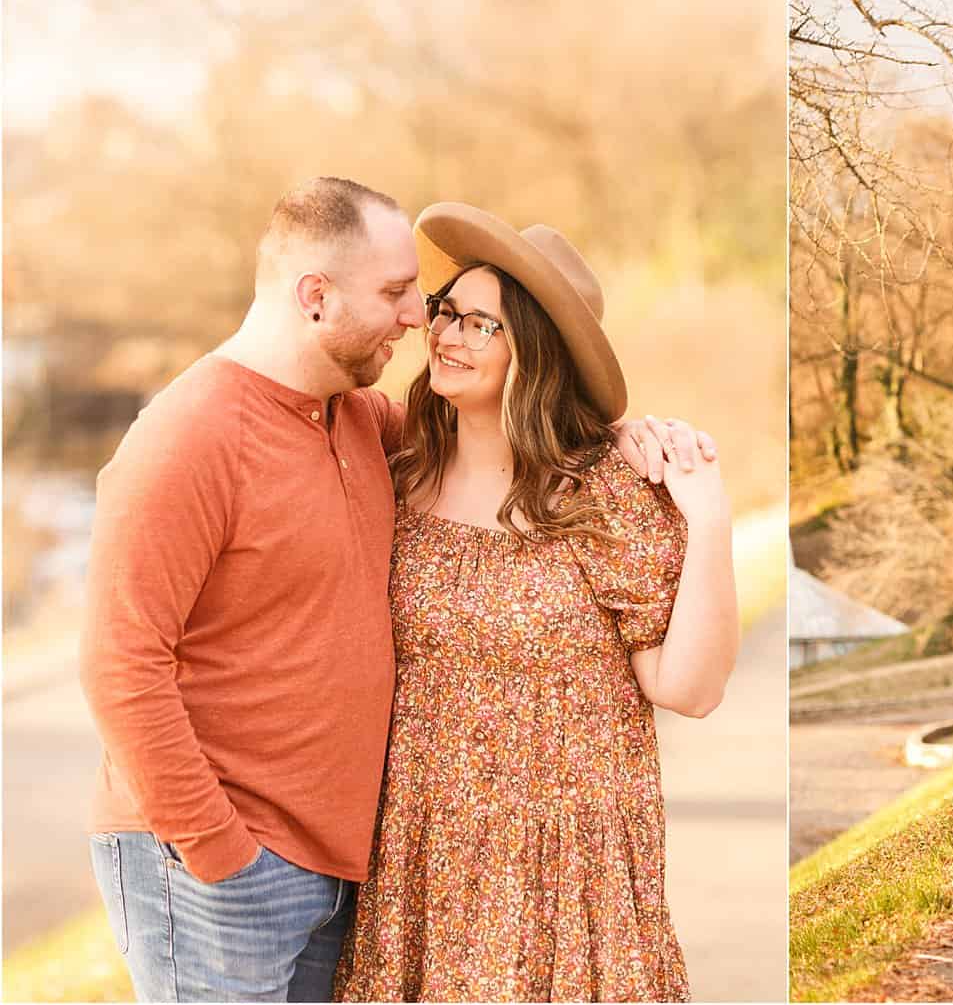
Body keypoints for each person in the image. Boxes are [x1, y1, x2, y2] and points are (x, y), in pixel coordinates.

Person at [79, 178, 702, 1002]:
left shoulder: (363, 426)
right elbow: (120, 664)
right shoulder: (188, 439)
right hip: (221, 870)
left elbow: (503, 442)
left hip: (341, 870)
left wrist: (615, 435)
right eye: (398, 293)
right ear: (315, 297)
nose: (418, 318)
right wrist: (217, 850)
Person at [332, 203, 739, 1002]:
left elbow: (688, 688)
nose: (446, 334)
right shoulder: (397, 477)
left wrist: (711, 515)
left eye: (480, 324)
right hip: (421, 858)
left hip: (565, 873)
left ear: (537, 353)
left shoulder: (606, 494)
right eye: (446, 312)